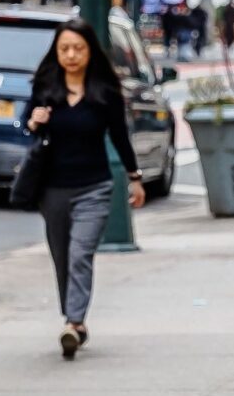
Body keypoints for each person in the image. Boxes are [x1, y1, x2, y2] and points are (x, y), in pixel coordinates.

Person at [24, 18, 146, 359]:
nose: (71, 55)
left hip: (94, 187)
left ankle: (73, 321)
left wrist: (135, 178)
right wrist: (35, 121)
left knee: (80, 256)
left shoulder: (104, 92)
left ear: (90, 51)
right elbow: (26, 124)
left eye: (78, 48)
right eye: (65, 49)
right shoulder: (46, 86)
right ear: (56, 52)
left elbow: (120, 137)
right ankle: (74, 322)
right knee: (62, 257)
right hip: (52, 189)